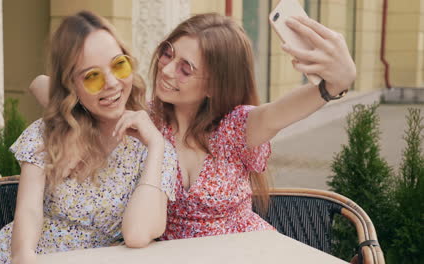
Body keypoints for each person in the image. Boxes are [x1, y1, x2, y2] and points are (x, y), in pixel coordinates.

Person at [29, 13, 356, 240]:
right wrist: (77, 123)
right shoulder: (146, 117)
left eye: (186, 68)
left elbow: (281, 112)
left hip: (242, 250)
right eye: (168, 54)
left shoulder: (235, 128)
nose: (167, 70)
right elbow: (41, 84)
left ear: (214, 85)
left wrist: (333, 86)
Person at [0, 11, 177, 264]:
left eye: (118, 64)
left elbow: (137, 234)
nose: (112, 83)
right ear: (71, 86)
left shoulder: (155, 148)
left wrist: (156, 146)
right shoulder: (48, 134)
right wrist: (24, 256)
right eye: (92, 76)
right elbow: (29, 210)